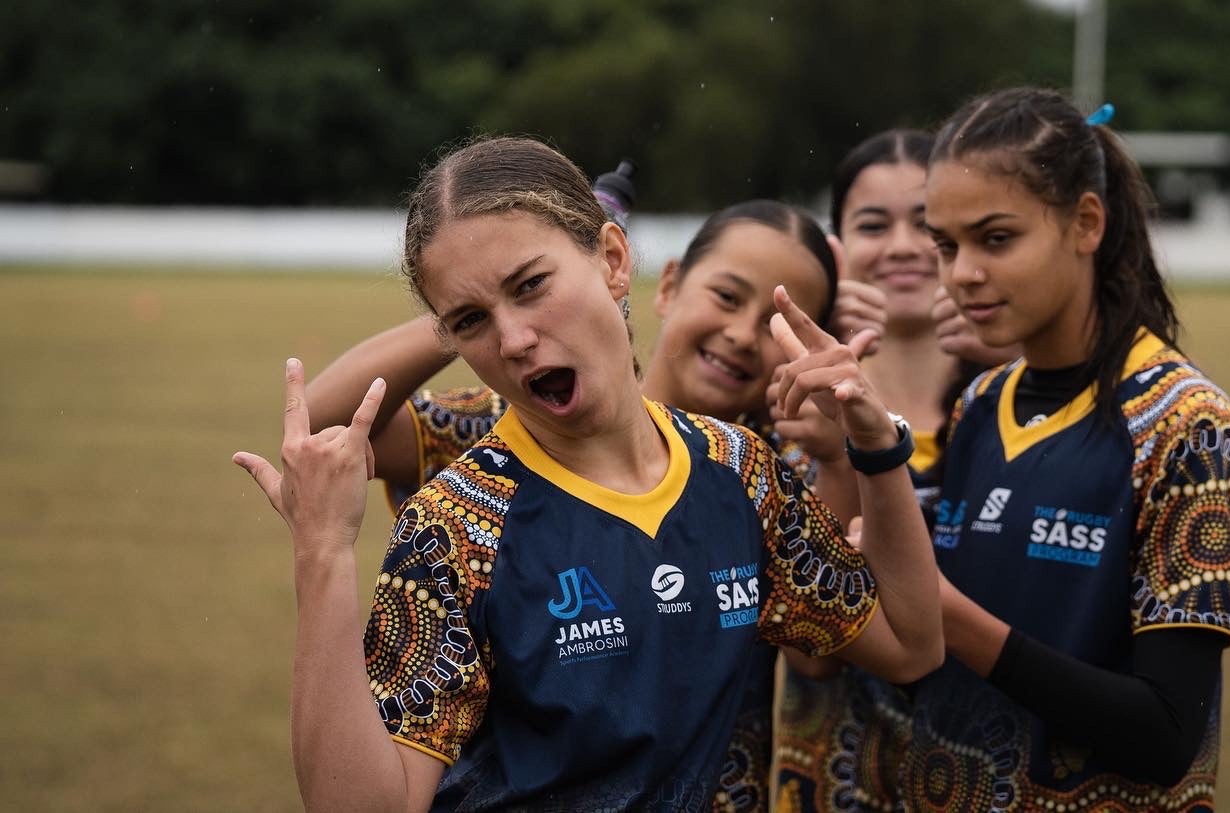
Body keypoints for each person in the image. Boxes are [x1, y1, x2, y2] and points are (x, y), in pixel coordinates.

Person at [231, 135, 944, 812]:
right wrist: (322, 554)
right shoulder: (455, 527)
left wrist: (875, 446)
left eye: (531, 284)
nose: (512, 339)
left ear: (612, 258)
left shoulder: (743, 471)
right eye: (471, 320)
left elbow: (910, 644)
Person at [306, 198, 848, 811]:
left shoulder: (771, 467)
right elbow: (325, 432)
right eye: (726, 296)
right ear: (665, 283)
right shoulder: (521, 419)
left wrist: (848, 453)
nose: (742, 334)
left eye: (779, 320)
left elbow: (829, 653)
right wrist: (480, 297)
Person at [900, 87, 1230, 811]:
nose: (962, 271)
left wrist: (950, 618)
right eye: (946, 244)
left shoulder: (1185, 425)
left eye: (996, 238)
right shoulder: (980, 402)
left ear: (1086, 222)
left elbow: (1164, 733)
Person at [772, 129, 1022, 813]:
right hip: (839, 783)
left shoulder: (1027, 397)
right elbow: (813, 652)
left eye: (931, 226)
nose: (908, 247)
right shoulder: (795, 405)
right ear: (837, 249)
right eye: (875, 224)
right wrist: (840, 442)